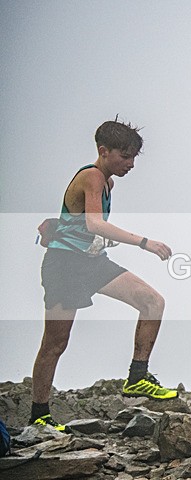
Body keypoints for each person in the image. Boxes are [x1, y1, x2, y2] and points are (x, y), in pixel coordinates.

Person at [30, 119, 179, 432]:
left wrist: (99, 240)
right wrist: (144, 242)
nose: (131, 164)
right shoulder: (92, 177)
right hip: (64, 265)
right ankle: (39, 414)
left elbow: (87, 228)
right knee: (55, 343)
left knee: (152, 302)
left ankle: (137, 377)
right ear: (103, 151)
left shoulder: (108, 183)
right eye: (125, 157)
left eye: (134, 157)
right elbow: (95, 224)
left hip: (92, 262)